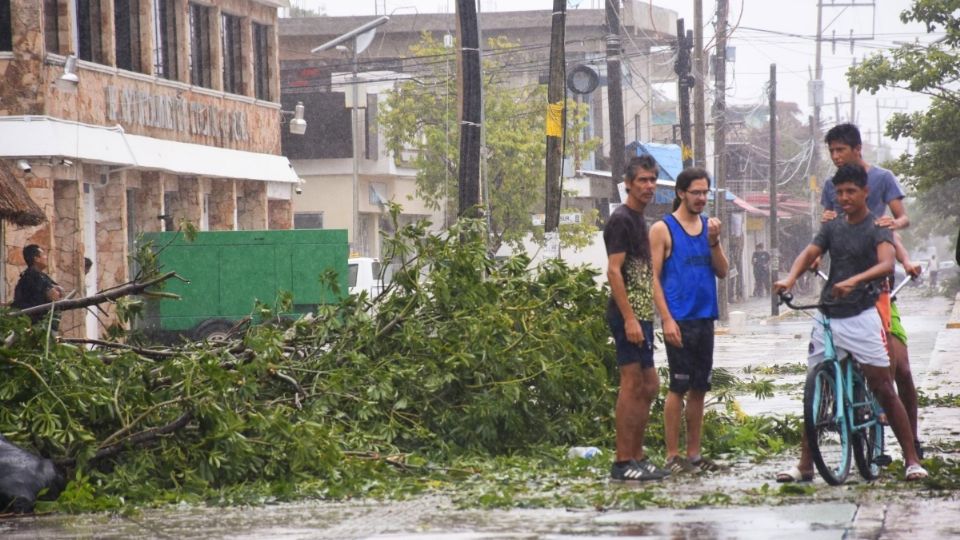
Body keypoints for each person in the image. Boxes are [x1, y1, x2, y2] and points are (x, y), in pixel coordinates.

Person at [774, 163, 927, 482]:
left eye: (850, 192)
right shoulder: (832, 227)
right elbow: (809, 252)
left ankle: (911, 459)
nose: (843, 197)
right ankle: (804, 464)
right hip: (829, 315)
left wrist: (854, 281)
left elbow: (886, 264)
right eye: (839, 192)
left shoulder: (878, 227)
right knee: (815, 391)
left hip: (863, 315)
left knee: (884, 385)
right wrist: (789, 279)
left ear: (865, 193)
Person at [818, 123, 924, 459]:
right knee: (828, 360)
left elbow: (901, 220)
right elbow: (826, 232)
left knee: (901, 368)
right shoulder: (830, 187)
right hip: (846, 282)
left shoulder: (882, 178)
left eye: (841, 150)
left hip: (879, 283)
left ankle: (912, 440)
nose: (835, 156)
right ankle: (830, 423)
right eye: (831, 151)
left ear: (857, 148)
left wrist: (891, 228)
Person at [650, 167, 729, 474]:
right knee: (678, 386)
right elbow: (653, 278)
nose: (700, 198)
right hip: (678, 319)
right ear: (681, 193)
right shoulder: (663, 229)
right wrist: (666, 319)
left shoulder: (710, 226)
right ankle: (673, 456)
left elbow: (722, 271)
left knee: (699, 387)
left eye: (704, 192)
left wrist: (714, 241)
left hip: (705, 317)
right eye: (695, 192)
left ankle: (694, 454)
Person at [604, 155, 670, 483]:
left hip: (643, 317)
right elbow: (614, 272)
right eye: (642, 180)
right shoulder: (621, 220)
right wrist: (629, 319)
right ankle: (622, 461)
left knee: (650, 385)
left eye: (652, 180)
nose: (648, 186)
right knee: (631, 384)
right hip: (627, 316)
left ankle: (638, 456)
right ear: (628, 183)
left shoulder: (639, 220)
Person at [11, 244, 64, 325]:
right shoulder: (30, 276)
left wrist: (57, 290)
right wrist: (53, 291)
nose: (46, 257)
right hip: (33, 324)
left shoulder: (42, 275)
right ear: (36, 259)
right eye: (43, 255)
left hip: (41, 322)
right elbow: (54, 295)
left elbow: (60, 291)